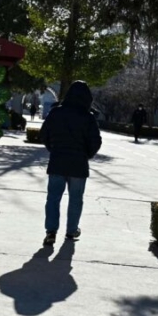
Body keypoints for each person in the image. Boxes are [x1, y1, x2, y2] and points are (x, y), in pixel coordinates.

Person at [39, 80, 102, 245]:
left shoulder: (56, 113)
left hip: (58, 161)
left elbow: (44, 134)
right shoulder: (88, 117)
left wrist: (53, 149)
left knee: (53, 197)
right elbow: (96, 142)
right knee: (76, 199)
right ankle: (71, 230)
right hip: (78, 164)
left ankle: (51, 231)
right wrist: (86, 155)